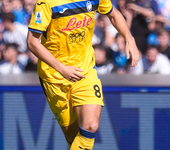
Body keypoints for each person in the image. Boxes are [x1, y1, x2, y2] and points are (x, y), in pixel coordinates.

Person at [27, 0, 139, 149]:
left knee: (90, 126)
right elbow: (32, 42)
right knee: (73, 138)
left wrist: (129, 38)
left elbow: (113, 13)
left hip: (84, 70)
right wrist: (62, 68)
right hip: (54, 76)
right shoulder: (47, 3)